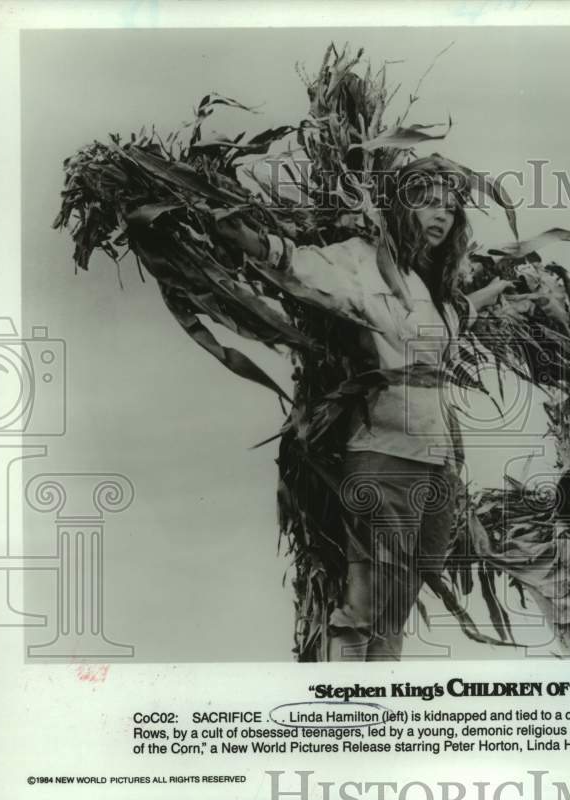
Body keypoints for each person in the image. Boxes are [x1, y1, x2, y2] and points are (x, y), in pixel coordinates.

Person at [216, 159, 514, 661]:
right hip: (384, 454)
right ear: (400, 205)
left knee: (399, 600)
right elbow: (299, 263)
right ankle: (352, 712)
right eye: (428, 201)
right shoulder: (362, 261)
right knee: (365, 604)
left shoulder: (431, 288)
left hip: (437, 463)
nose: (441, 214)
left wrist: (498, 290)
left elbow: (456, 316)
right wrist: (248, 239)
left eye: (450, 206)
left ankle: (381, 708)